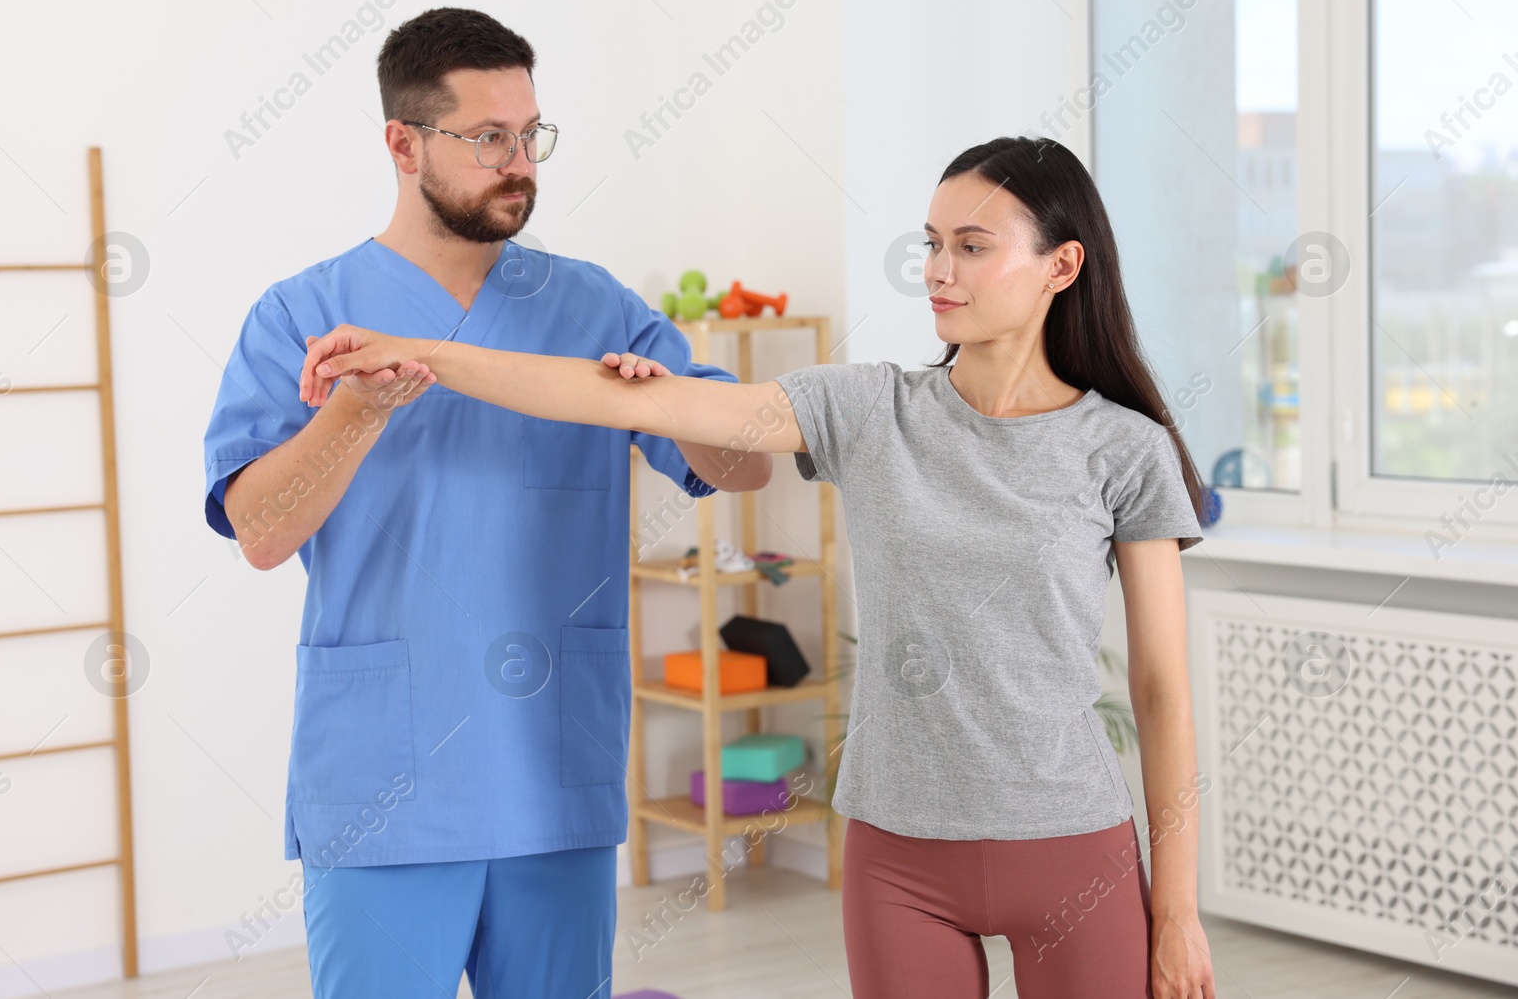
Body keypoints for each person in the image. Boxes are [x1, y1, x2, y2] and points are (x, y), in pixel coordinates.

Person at [297, 136, 1220, 999]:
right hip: (900, 860)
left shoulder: (1123, 450)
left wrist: (1175, 911)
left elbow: (1161, 689)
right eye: (932, 243)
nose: (939, 270)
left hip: (1070, 847)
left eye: (973, 246)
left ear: (1062, 265)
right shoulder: (869, 411)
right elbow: (600, 395)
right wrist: (427, 355)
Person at [199, 7, 771, 999]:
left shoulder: (592, 306)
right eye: (488, 138)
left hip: (552, 770)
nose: (519, 162)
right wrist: (357, 411)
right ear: (402, 143)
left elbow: (746, 467)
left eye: (530, 134)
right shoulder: (301, 314)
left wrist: (672, 407)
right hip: (384, 782)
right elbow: (259, 529)